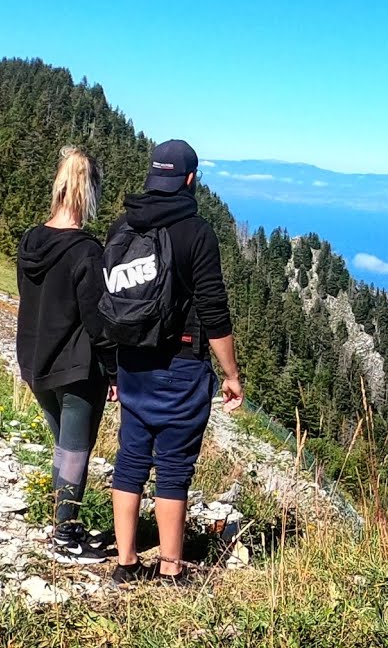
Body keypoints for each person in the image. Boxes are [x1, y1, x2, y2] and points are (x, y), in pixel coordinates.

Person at [106, 139, 243, 586]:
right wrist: (231, 374)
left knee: (131, 458)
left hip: (131, 360)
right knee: (174, 467)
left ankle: (126, 564)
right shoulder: (196, 232)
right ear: (190, 179)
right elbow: (214, 310)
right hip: (181, 363)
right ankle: (170, 568)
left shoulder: (123, 225)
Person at [16, 145, 117, 564]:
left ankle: (64, 525)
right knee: (75, 450)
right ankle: (64, 536)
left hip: (36, 359)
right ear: (89, 191)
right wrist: (113, 370)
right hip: (76, 367)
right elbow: (97, 319)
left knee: (63, 446)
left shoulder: (31, 240)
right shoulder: (86, 251)